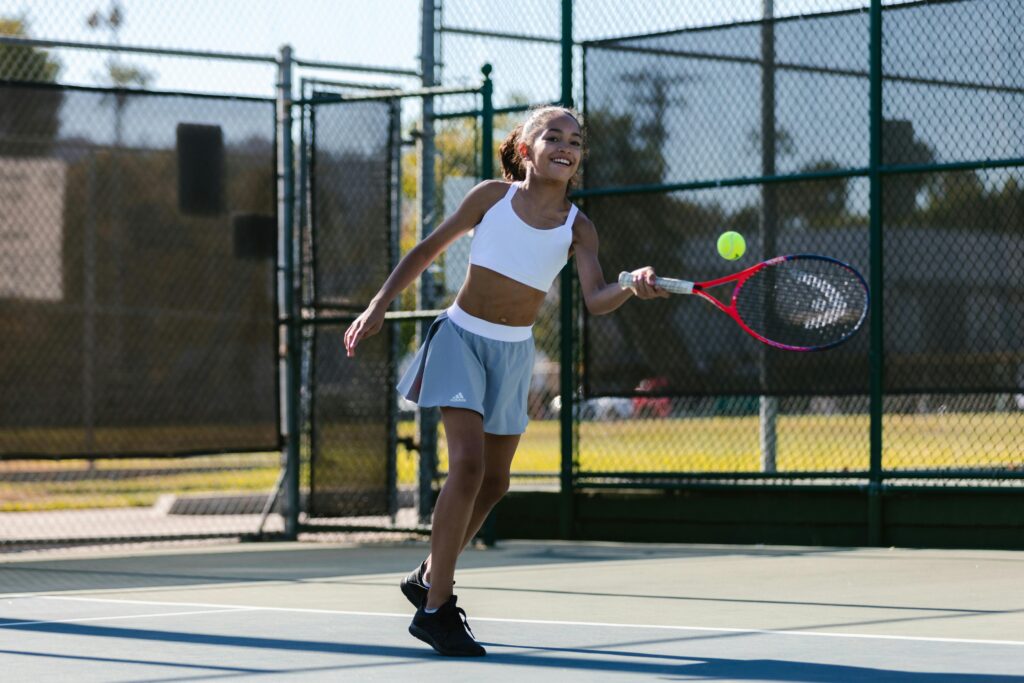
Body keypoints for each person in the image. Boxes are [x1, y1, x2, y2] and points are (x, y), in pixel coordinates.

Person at [343, 105, 667, 656]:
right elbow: (427, 249)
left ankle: (427, 574)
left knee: (495, 483)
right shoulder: (492, 197)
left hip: (514, 354)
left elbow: (596, 299)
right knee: (467, 466)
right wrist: (378, 305)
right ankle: (437, 608)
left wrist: (631, 286)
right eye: (553, 136)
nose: (566, 146)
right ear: (526, 149)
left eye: (575, 140)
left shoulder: (578, 226)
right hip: (460, 339)